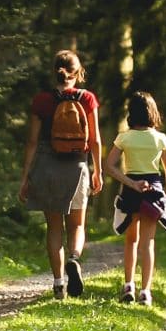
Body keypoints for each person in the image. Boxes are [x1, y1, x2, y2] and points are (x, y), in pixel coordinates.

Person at [18, 49, 103, 297]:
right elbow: (95, 139)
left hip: (47, 166)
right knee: (77, 225)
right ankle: (74, 259)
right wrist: (97, 170)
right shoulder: (87, 99)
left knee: (54, 228)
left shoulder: (42, 101)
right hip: (77, 165)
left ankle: (58, 284)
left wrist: (26, 177)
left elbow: (32, 142)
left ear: (54, 71)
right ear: (79, 72)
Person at [106, 91, 166, 305]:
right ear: (152, 112)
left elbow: (108, 166)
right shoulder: (160, 138)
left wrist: (131, 183)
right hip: (154, 191)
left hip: (130, 190)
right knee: (148, 243)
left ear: (131, 113)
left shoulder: (124, 138)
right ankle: (146, 291)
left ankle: (129, 286)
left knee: (131, 240)